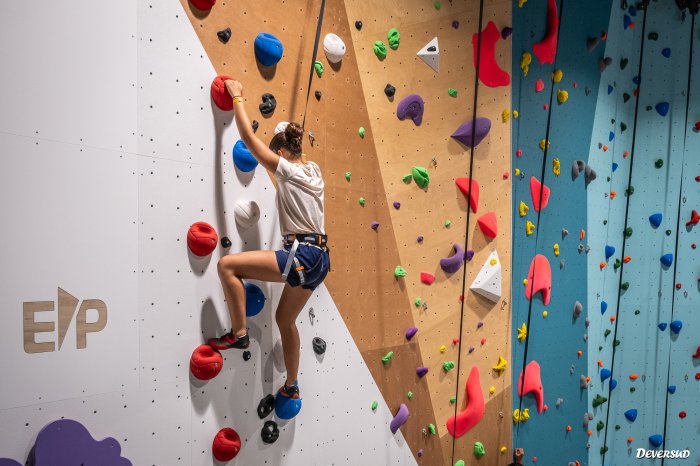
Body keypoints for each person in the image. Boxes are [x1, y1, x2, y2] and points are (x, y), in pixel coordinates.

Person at [207, 79, 330, 412]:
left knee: (226, 266)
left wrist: (237, 96)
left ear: (280, 155)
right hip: (319, 257)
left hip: (302, 253)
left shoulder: (288, 170)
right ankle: (291, 386)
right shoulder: (314, 170)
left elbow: (249, 140)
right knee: (284, 320)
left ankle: (239, 333)